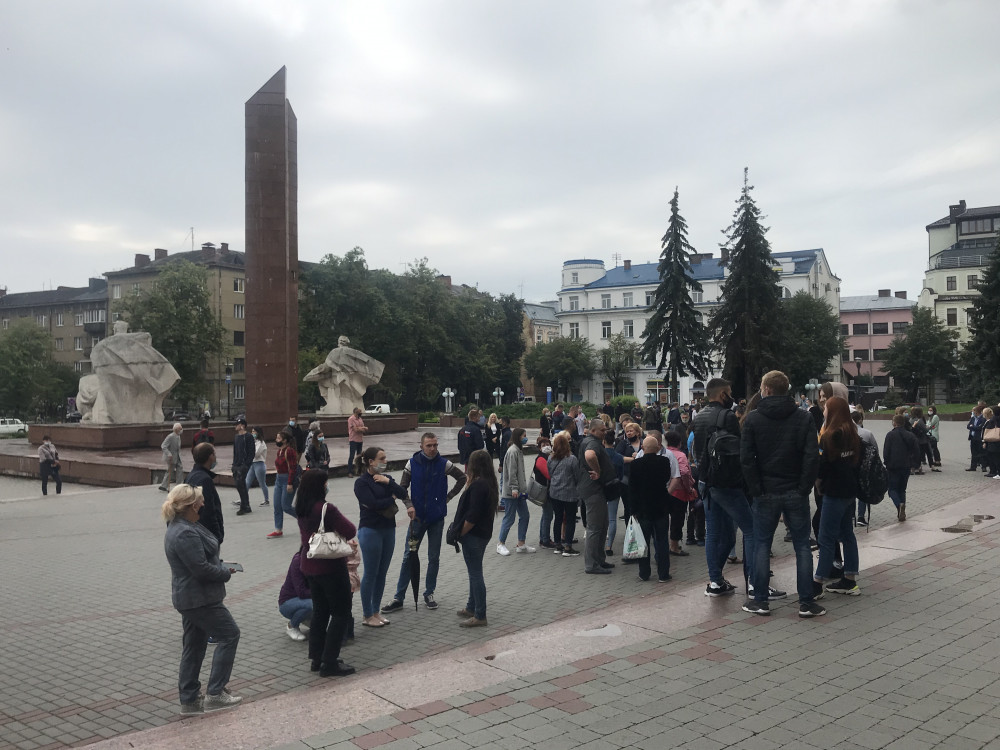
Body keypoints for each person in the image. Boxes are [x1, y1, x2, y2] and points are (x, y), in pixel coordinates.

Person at [739, 370, 819, 617]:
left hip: (765, 492)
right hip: (795, 490)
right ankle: (806, 602)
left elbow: (747, 459)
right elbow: (811, 456)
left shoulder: (753, 419)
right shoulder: (803, 418)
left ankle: (760, 600)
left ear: (766, 389)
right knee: (802, 546)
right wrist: (804, 487)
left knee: (762, 544)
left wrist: (756, 489)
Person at [162, 484, 241, 714]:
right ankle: (215, 694)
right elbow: (201, 570)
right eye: (200, 501)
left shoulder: (183, 526)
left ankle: (189, 699)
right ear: (190, 505)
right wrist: (225, 573)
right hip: (199, 599)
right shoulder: (184, 532)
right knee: (230, 634)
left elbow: (201, 561)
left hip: (192, 598)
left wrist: (219, 564)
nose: (204, 504)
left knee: (194, 646)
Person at [382, 433, 467, 613]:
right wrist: (409, 505)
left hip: (436, 518)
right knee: (408, 557)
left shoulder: (444, 464)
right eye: (429, 445)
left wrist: (448, 497)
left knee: (433, 557)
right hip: (417, 519)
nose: (433, 448)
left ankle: (429, 593)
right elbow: (402, 488)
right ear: (421, 446)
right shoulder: (412, 464)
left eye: (435, 445)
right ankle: (399, 597)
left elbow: (462, 478)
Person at [692, 378, 755, 598]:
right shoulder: (727, 416)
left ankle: (716, 581)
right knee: (749, 528)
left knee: (714, 533)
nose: (732, 397)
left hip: (706, 480)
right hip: (726, 482)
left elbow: (697, 449)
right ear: (722, 395)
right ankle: (754, 583)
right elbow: (736, 450)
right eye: (729, 393)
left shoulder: (698, 416)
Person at [295, 469, 357, 677]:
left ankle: (317, 657)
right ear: (319, 486)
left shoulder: (301, 506)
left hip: (310, 564)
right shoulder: (325, 509)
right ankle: (330, 662)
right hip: (330, 566)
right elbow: (350, 530)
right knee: (341, 612)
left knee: (320, 612)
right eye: (325, 483)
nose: (327, 486)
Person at [813, 396, 862, 597]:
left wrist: (817, 483)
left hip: (832, 493)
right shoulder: (853, 434)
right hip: (850, 492)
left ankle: (817, 583)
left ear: (833, 411)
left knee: (825, 538)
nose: (823, 411)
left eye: (826, 408)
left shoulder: (829, 436)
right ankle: (849, 579)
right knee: (847, 535)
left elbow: (822, 467)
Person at [354, 446, 407, 627]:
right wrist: (390, 499)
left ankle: (376, 612)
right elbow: (372, 503)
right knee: (371, 573)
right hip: (370, 530)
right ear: (371, 462)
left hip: (388, 529)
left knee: (382, 573)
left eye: (385, 458)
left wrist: (388, 483)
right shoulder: (362, 483)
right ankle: (367, 615)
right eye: (382, 459)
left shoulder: (387, 479)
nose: (385, 461)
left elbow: (403, 493)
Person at [454, 449, 499, 627]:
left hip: (474, 535)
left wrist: (460, 533)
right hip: (483, 534)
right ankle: (471, 606)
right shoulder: (488, 482)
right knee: (474, 571)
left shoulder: (478, 485)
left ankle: (480, 614)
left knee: (475, 574)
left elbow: (472, 516)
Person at [629, 436, 677, 582]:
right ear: (658, 448)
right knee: (662, 541)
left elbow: (632, 489)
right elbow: (667, 478)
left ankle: (644, 573)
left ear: (642, 448)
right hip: (661, 507)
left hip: (642, 509)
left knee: (643, 542)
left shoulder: (635, 465)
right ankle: (663, 574)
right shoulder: (664, 462)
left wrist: (633, 510)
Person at [578, 419, 616, 574]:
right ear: (593, 431)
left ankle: (599, 559)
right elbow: (589, 455)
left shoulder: (593, 440)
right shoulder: (592, 442)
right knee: (595, 528)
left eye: (605, 429)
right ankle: (592, 565)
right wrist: (598, 471)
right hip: (593, 490)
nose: (604, 432)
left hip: (596, 490)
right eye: (602, 430)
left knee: (602, 525)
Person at [497, 428, 534, 555]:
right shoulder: (513, 451)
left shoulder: (518, 450)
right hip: (512, 492)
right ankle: (500, 544)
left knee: (525, 516)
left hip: (519, 491)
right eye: (524, 435)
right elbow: (512, 472)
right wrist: (514, 488)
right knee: (509, 518)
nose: (526, 437)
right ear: (518, 436)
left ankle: (521, 544)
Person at [547, 431, 581, 556]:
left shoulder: (550, 458)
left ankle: (557, 545)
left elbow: (550, 473)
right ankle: (568, 546)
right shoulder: (572, 459)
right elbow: (577, 476)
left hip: (555, 492)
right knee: (570, 519)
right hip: (570, 493)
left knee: (558, 518)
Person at [883, 414, 920, 522]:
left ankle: (899, 505)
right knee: (902, 489)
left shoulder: (890, 435)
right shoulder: (910, 435)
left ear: (894, 423)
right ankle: (902, 508)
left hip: (893, 466)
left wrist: (886, 463)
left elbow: (886, 451)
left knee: (892, 489)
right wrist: (915, 464)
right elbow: (917, 450)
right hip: (906, 465)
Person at [187, 443, 224, 546]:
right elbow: (209, 511)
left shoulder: (191, 476)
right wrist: (217, 536)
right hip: (206, 537)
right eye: (214, 454)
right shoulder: (205, 480)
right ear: (210, 457)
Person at [267, 431, 298, 539]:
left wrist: (289, 483)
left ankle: (304, 519)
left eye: (278, 438)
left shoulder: (289, 451)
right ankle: (278, 529)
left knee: (286, 506)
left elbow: (293, 468)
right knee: (277, 506)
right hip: (278, 479)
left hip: (287, 480)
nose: (276, 440)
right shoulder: (279, 451)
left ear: (284, 440)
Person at [278, 550, 312, 641]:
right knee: (313, 604)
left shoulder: (317, 561)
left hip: (304, 599)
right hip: (287, 602)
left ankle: (308, 620)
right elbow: (301, 592)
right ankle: (292, 626)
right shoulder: (298, 561)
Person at [851, 411, 878, 526]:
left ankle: (851, 514)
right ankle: (861, 516)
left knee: (851, 492)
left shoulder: (846, 433)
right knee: (863, 491)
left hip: (850, 467)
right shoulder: (867, 433)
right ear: (860, 420)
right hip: (864, 468)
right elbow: (875, 449)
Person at [603, 429, 625, 556]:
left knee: (600, 518)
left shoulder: (599, 455)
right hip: (614, 488)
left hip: (601, 488)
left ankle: (599, 543)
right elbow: (621, 476)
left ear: (603, 441)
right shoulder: (618, 457)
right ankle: (609, 546)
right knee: (612, 519)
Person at [534, 436, 556, 548]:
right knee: (547, 515)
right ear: (539, 448)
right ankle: (545, 540)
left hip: (547, 490)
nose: (546, 447)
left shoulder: (547, 457)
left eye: (548, 444)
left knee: (546, 515)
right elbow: (548, 475)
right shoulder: (541, 459)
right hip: (544, 491)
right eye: (543, 445)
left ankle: (543, 539)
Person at [232, 418, 255, 516]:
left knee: (241, 484)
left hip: (243, 465)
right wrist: (233, 464)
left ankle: (244, 506)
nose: (235, 426)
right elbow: (235, 452)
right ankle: (246, 505)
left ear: (242, 425)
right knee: (240, 485)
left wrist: (246, 465)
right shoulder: (237, 437)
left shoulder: (248, 436)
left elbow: (251, 452)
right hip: (236, 465)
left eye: (237, 424)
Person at [159, 423, 184, 492]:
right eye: (180, 429)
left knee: (180, 469)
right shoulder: (170, 436)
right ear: (176, 429)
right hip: (171, 457)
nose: (182, 430)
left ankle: (179, 485)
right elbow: (163, 446)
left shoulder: (178, 436)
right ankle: (164, 485)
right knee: (170, 471)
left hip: (177, 456)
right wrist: (168, 453)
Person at [249, 426, 270, 507]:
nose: (252, 433)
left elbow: (256, 454)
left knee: (262, 483)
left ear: (258, 432)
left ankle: (266, 500)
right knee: (247, 482)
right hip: (252, 464)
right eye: (252, 431)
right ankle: (243, 499)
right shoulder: (253, 442)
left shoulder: (261, 443)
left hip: (259, 464)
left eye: (254, 431)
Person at [909, 406, 934, 474]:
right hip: (922, 440)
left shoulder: (911, 420)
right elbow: (925, 430)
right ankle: (920, 467)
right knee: (926, 452)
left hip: (914, 439)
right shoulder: (919, 420)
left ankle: (915, 467)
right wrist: (928, 427)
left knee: (915, 454)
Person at [347, 408, 367, 477]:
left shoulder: (360, 419)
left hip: (360, 439)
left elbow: (363, 429)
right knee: (352, 456)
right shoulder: (351, 419)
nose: (361, 413)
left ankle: (359, 471)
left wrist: (361, 429)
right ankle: (350, 472)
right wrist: (362, 428)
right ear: (356, 412)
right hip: (353, 439)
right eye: (360, 411)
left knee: (359, 456)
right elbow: (355, 429)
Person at [966, 404, 987, 473]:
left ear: (976, 412)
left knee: (981, 452)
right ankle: (973, 466)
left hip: (979, 438)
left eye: (973, 411)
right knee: (973, 452)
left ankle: (983, 466)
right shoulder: (973, 418)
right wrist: (972, 426)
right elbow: (968, 426)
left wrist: (972, 427)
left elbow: (979, 428)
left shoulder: (982, 419)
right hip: (972, 438)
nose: (972, 412)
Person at [983, 407, 1000, 479]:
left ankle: (997, 472)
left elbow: (988, 429)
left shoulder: (993, 420)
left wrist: (985, 441)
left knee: (995, 458)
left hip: (994, 442)